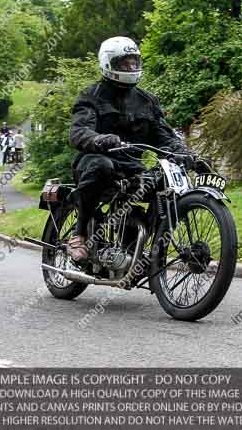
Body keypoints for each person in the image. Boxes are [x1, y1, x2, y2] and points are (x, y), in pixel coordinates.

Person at [67, 36, 188, 262]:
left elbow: (163, 135)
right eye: (124, 63)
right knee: (101, 165)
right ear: (108, 63)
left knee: (162, 179)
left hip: (132, 168)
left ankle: (140, 242)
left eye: (134, 62)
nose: (131, 68)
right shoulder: (91, 96)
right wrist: (100, 139)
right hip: (94, 163)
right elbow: (78, 131)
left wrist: (181, 151)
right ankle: (80, 234)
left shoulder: (147, 101)